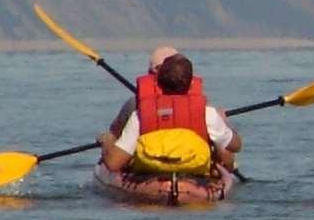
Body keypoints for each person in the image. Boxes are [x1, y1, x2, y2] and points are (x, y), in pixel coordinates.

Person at [98, 48, 243, 176]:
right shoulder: (208, 114)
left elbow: (113, 163)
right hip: (196, 182)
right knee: (224, 152)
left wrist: (106, 144)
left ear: (158, 82)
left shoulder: (141, 115)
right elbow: (236, 146)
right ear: (192, 83)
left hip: (150, 178)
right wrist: (223, 123)